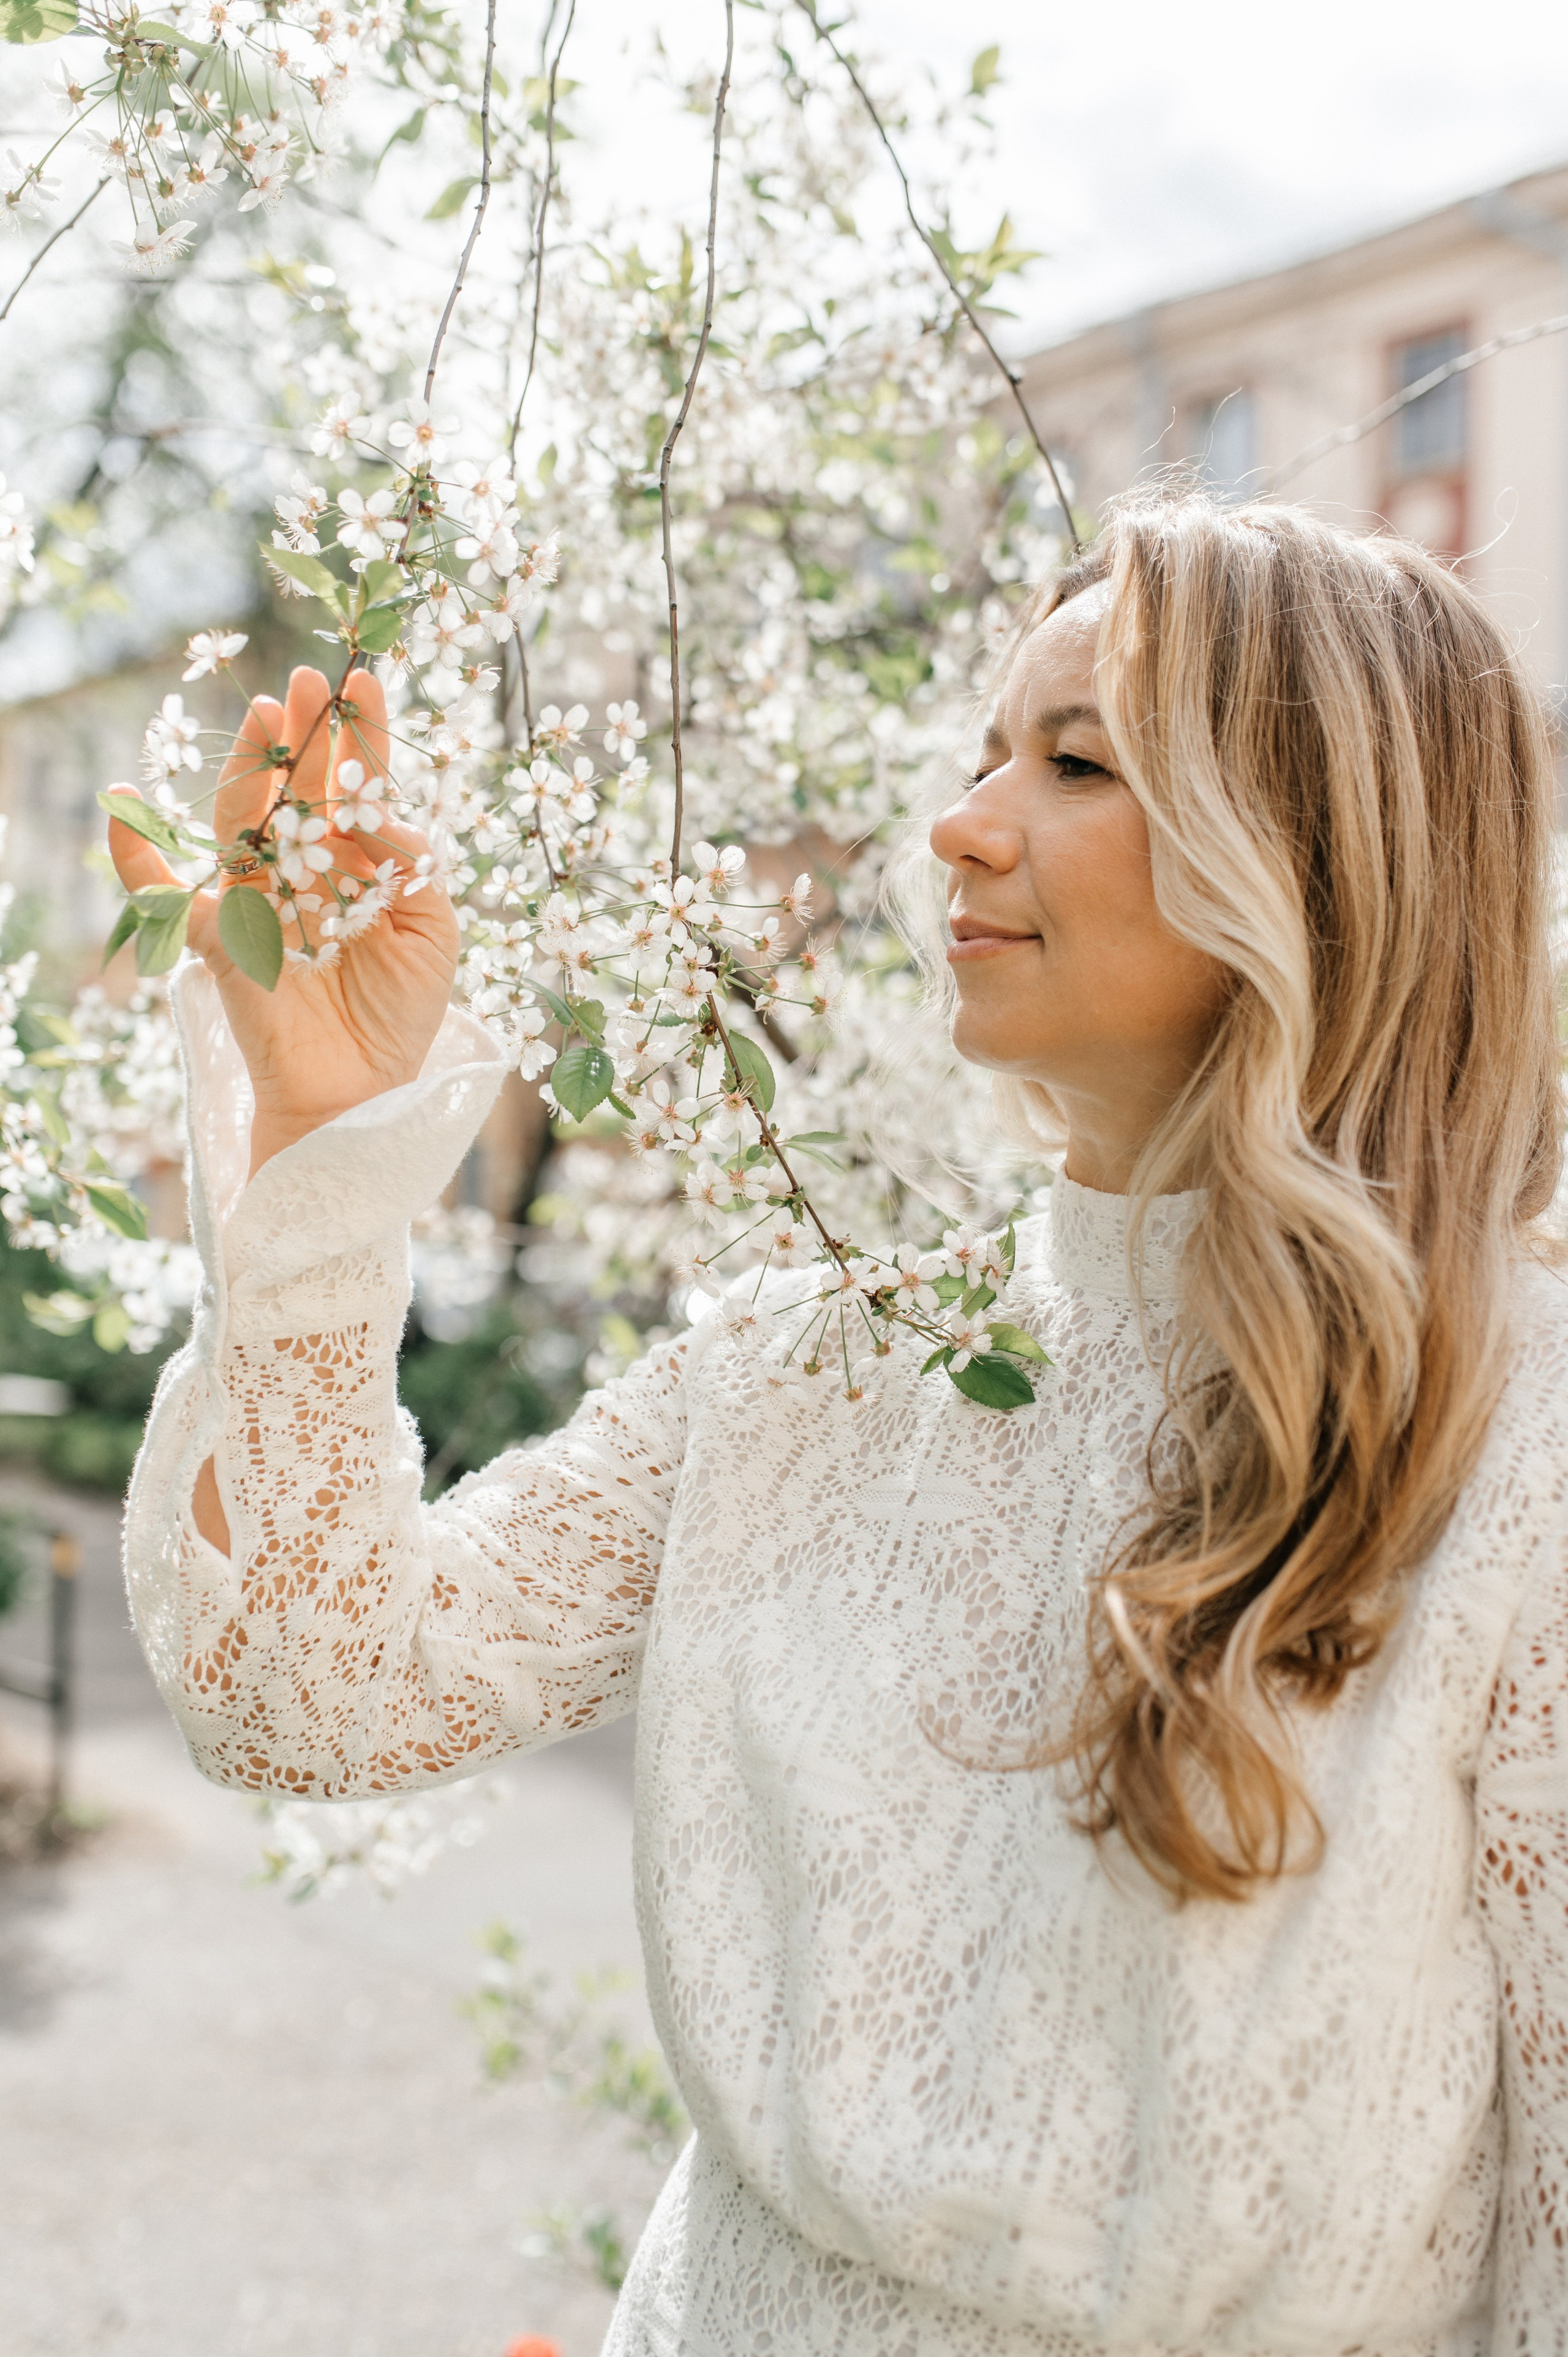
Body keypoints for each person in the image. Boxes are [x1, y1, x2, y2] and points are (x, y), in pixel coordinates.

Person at [111, 492, 1568, 2356]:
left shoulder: (1516, 1450)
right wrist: (322, 1139)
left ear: (1322, 852)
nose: (962, 823)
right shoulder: (815, 1369)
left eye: (1076, 761)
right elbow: (312, 1698)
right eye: (982, 753)